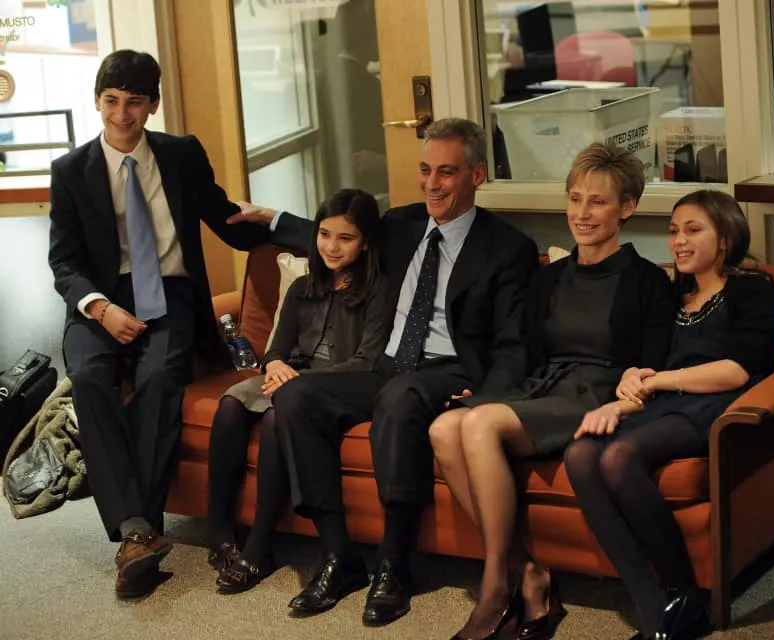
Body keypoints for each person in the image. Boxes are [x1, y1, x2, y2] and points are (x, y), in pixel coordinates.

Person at [244, 118, 539, 623]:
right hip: (386, 365)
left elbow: (514, 343)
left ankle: (394, 564)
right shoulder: (401, 225)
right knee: (295, 395)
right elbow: (340, 235)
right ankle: (339, 556)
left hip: (449, 370)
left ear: (477, 175)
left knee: (399, 399)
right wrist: (272, 219)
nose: (431, 184)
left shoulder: (508, 248)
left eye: (446, 172)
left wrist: (487, 399)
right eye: (425, 170)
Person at [47, 49, 301, 599]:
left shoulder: (181, 154)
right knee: (88, 377)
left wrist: (314, 233)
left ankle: (136, 533)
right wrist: (100, 307)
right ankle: (138, 530)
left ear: (154, 105)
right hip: (100, 299)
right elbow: (63, 261)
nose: (122, 115)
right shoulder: (70, 171)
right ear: (96, 101)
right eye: (111, 101)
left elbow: (229, 222)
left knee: (161, 377)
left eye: (134, 102)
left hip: (171, 291)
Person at [428, 143, 675, 640]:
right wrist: (487, 394)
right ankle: (528, 572)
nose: (582, 214)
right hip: (543, 389)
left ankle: (496, 586)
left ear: (627, 208)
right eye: (575, 199)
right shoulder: (549, 279)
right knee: (444, 427)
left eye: (598, 202)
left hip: (596, 394)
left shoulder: (649, 281)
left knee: (478, 425)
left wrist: (626, 404)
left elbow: (654, 365)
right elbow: (524, 354)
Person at [563, 190, 774, 640]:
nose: (679, 241)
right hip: (668, 404)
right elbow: (649, 368)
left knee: (618, 457)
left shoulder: (751, 289)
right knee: (580, 453)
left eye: (693, 230)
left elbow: (737, 370)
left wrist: (658, 380)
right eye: (674, 231)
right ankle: (653, 606)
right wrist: (622, 395)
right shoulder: (673, 297)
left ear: (725, 238)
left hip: (721, 404)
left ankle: (686, 595)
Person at [205, 188, 389, 593]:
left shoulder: (379, 290)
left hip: (339, 385)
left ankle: (259, 547)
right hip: (291, 375)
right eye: (324, 234)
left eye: (345, 238)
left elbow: (367, 361)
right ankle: (218, 530)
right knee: (231, 404)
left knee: (278, 415)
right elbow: (277, 348)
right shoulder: (303, 287)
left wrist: (299, 382)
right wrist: (274, 364)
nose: (332, 247)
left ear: (365, 242)